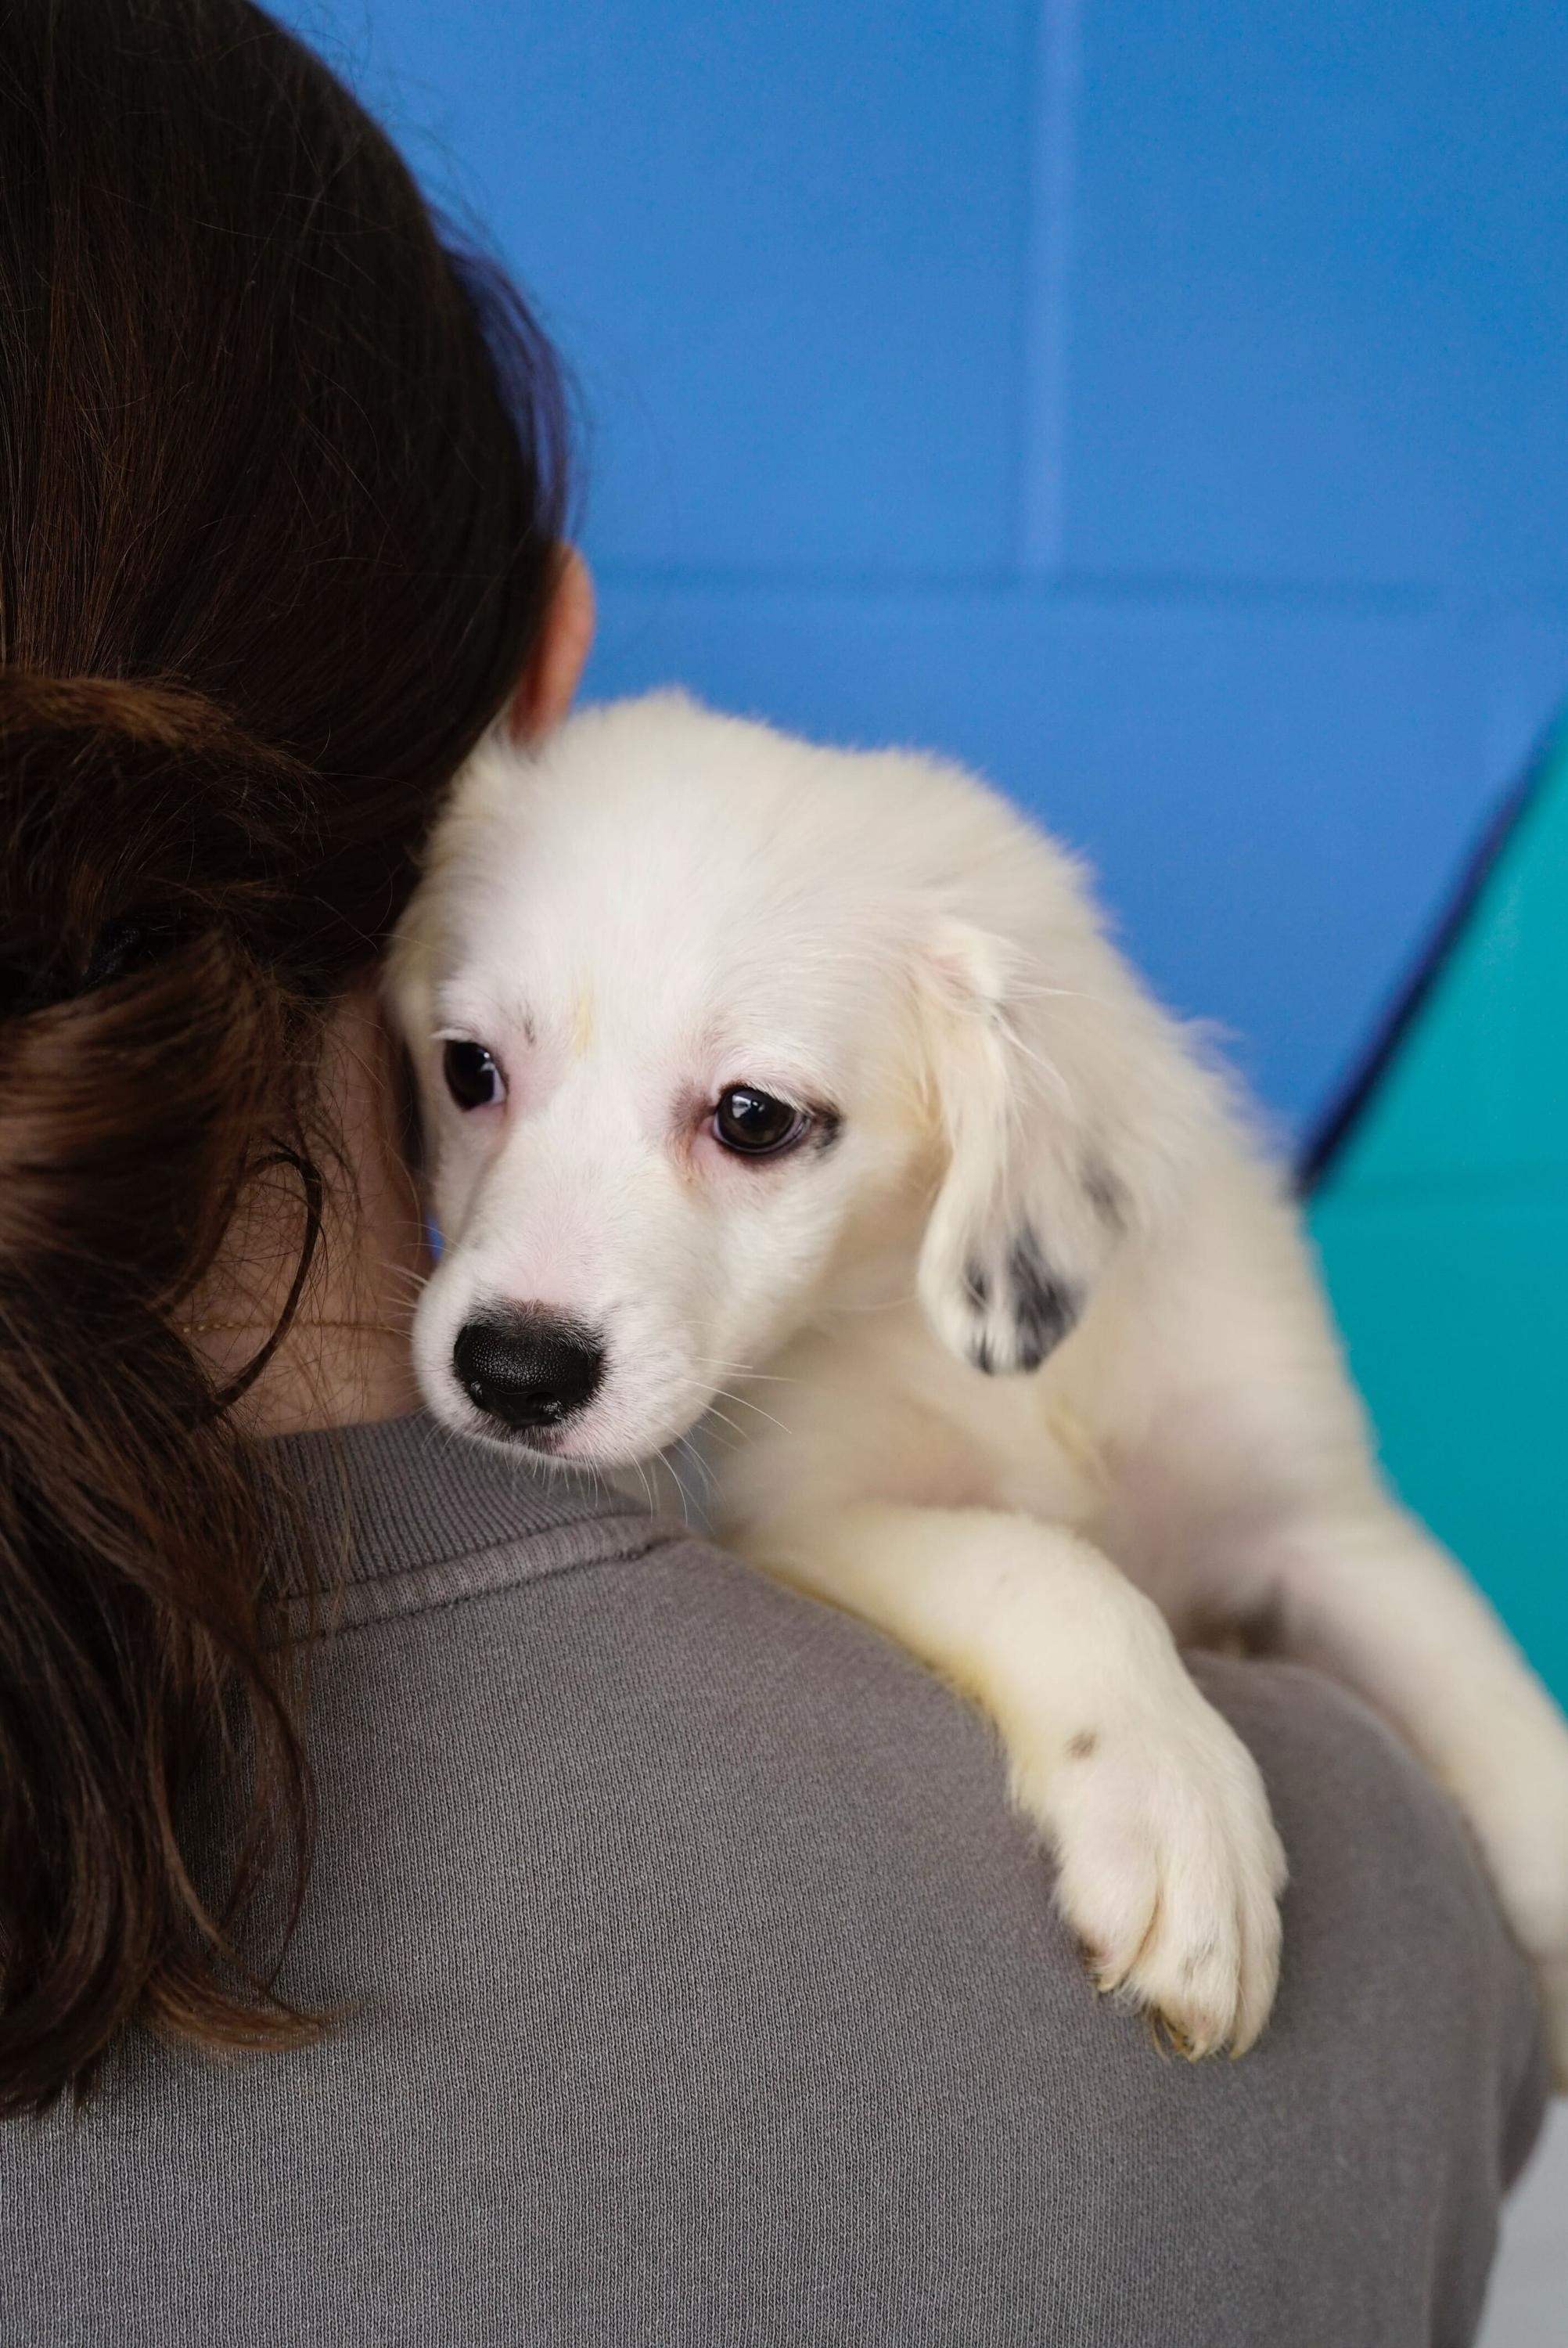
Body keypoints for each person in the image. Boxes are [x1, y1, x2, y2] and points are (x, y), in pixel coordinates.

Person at [0, 5, 1546, 2342]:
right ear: (518, 692)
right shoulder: (1376, 1907)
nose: (540, 1252)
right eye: (483, 1070)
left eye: (746, 1125)